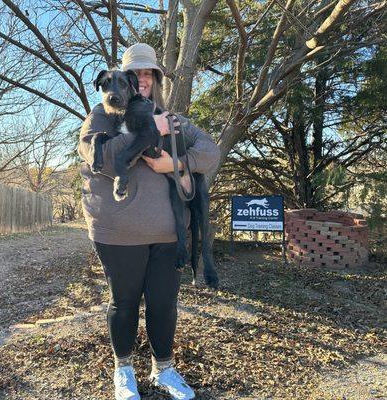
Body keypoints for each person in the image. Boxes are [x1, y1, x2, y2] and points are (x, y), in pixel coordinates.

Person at [77, 43, 221, 400]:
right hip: (119, 235)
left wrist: (174, 163)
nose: (141, 79)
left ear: (154, 80)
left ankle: (164, 369)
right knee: (124, 302)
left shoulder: (171, 118)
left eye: (147, 74)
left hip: (169, 235)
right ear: (123, 79)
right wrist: (147, 131)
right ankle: (123, 370)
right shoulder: (100, 117)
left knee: (163, 304)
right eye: (135, 74)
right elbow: (103, 159)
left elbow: (210, 151)